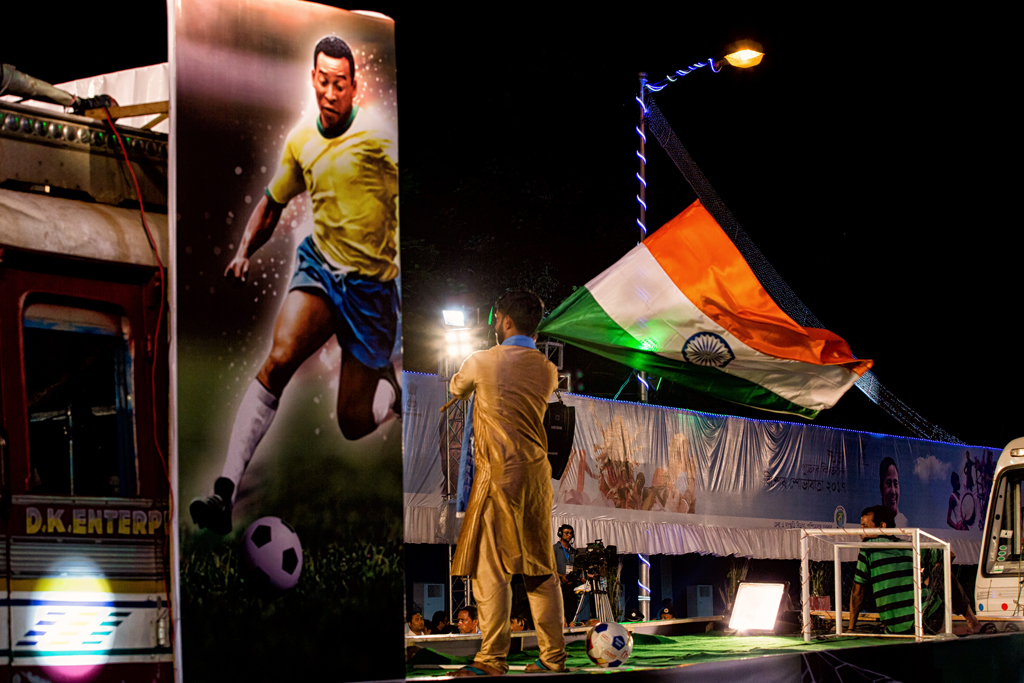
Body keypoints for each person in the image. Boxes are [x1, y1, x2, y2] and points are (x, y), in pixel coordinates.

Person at [190, 35, 400, 534]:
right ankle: (224, 492)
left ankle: (395, 395)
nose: (330, 92)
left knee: (352, 422)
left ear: (354, 86)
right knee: (279, 358)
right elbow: (273, 202)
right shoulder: (301, 139)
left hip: (373, 290)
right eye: (323, 81)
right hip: (322, 269)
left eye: (340, 84)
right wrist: (244, 252)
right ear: (314, 80)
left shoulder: (380, 136)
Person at [449, 291, 567, 676]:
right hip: (535, 478)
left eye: (496, 317)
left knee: (491, 571)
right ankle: (552, 659)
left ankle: (492, 659)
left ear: (505, 321)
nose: (495, 323)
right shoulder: (548, 369)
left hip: (497, 476)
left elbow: (456, 388)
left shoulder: (481, 361)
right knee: (540, 569)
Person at [849, 505, 979, 634]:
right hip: (928, 616)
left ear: (881, 526)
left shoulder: (867, 549)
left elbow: (857, 593)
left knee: (940, 573)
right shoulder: (909, 547)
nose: (861, 530)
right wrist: (929, 576)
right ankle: (972, 622)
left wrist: (850, 628)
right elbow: (950, 554)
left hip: (897, 628)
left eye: (865, 526)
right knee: (942, 572)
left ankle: (945, 630)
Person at [554, 524, 579, 624]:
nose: (569, 535)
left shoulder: (573, 551)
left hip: (571, 585)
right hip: (559, 586)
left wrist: (580, 578)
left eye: (570, 533)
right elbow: (550, 569)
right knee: (560, 611)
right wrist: (561, 576)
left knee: (571, 611)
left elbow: (575, 566)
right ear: (560, 534)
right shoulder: (554, 549)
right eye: (566, 533)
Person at [878, 457, 908, 529]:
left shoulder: (903, 523)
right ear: (881, 489)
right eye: (889, 484)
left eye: (895, 484)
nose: (893, 491)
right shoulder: (876, 522)